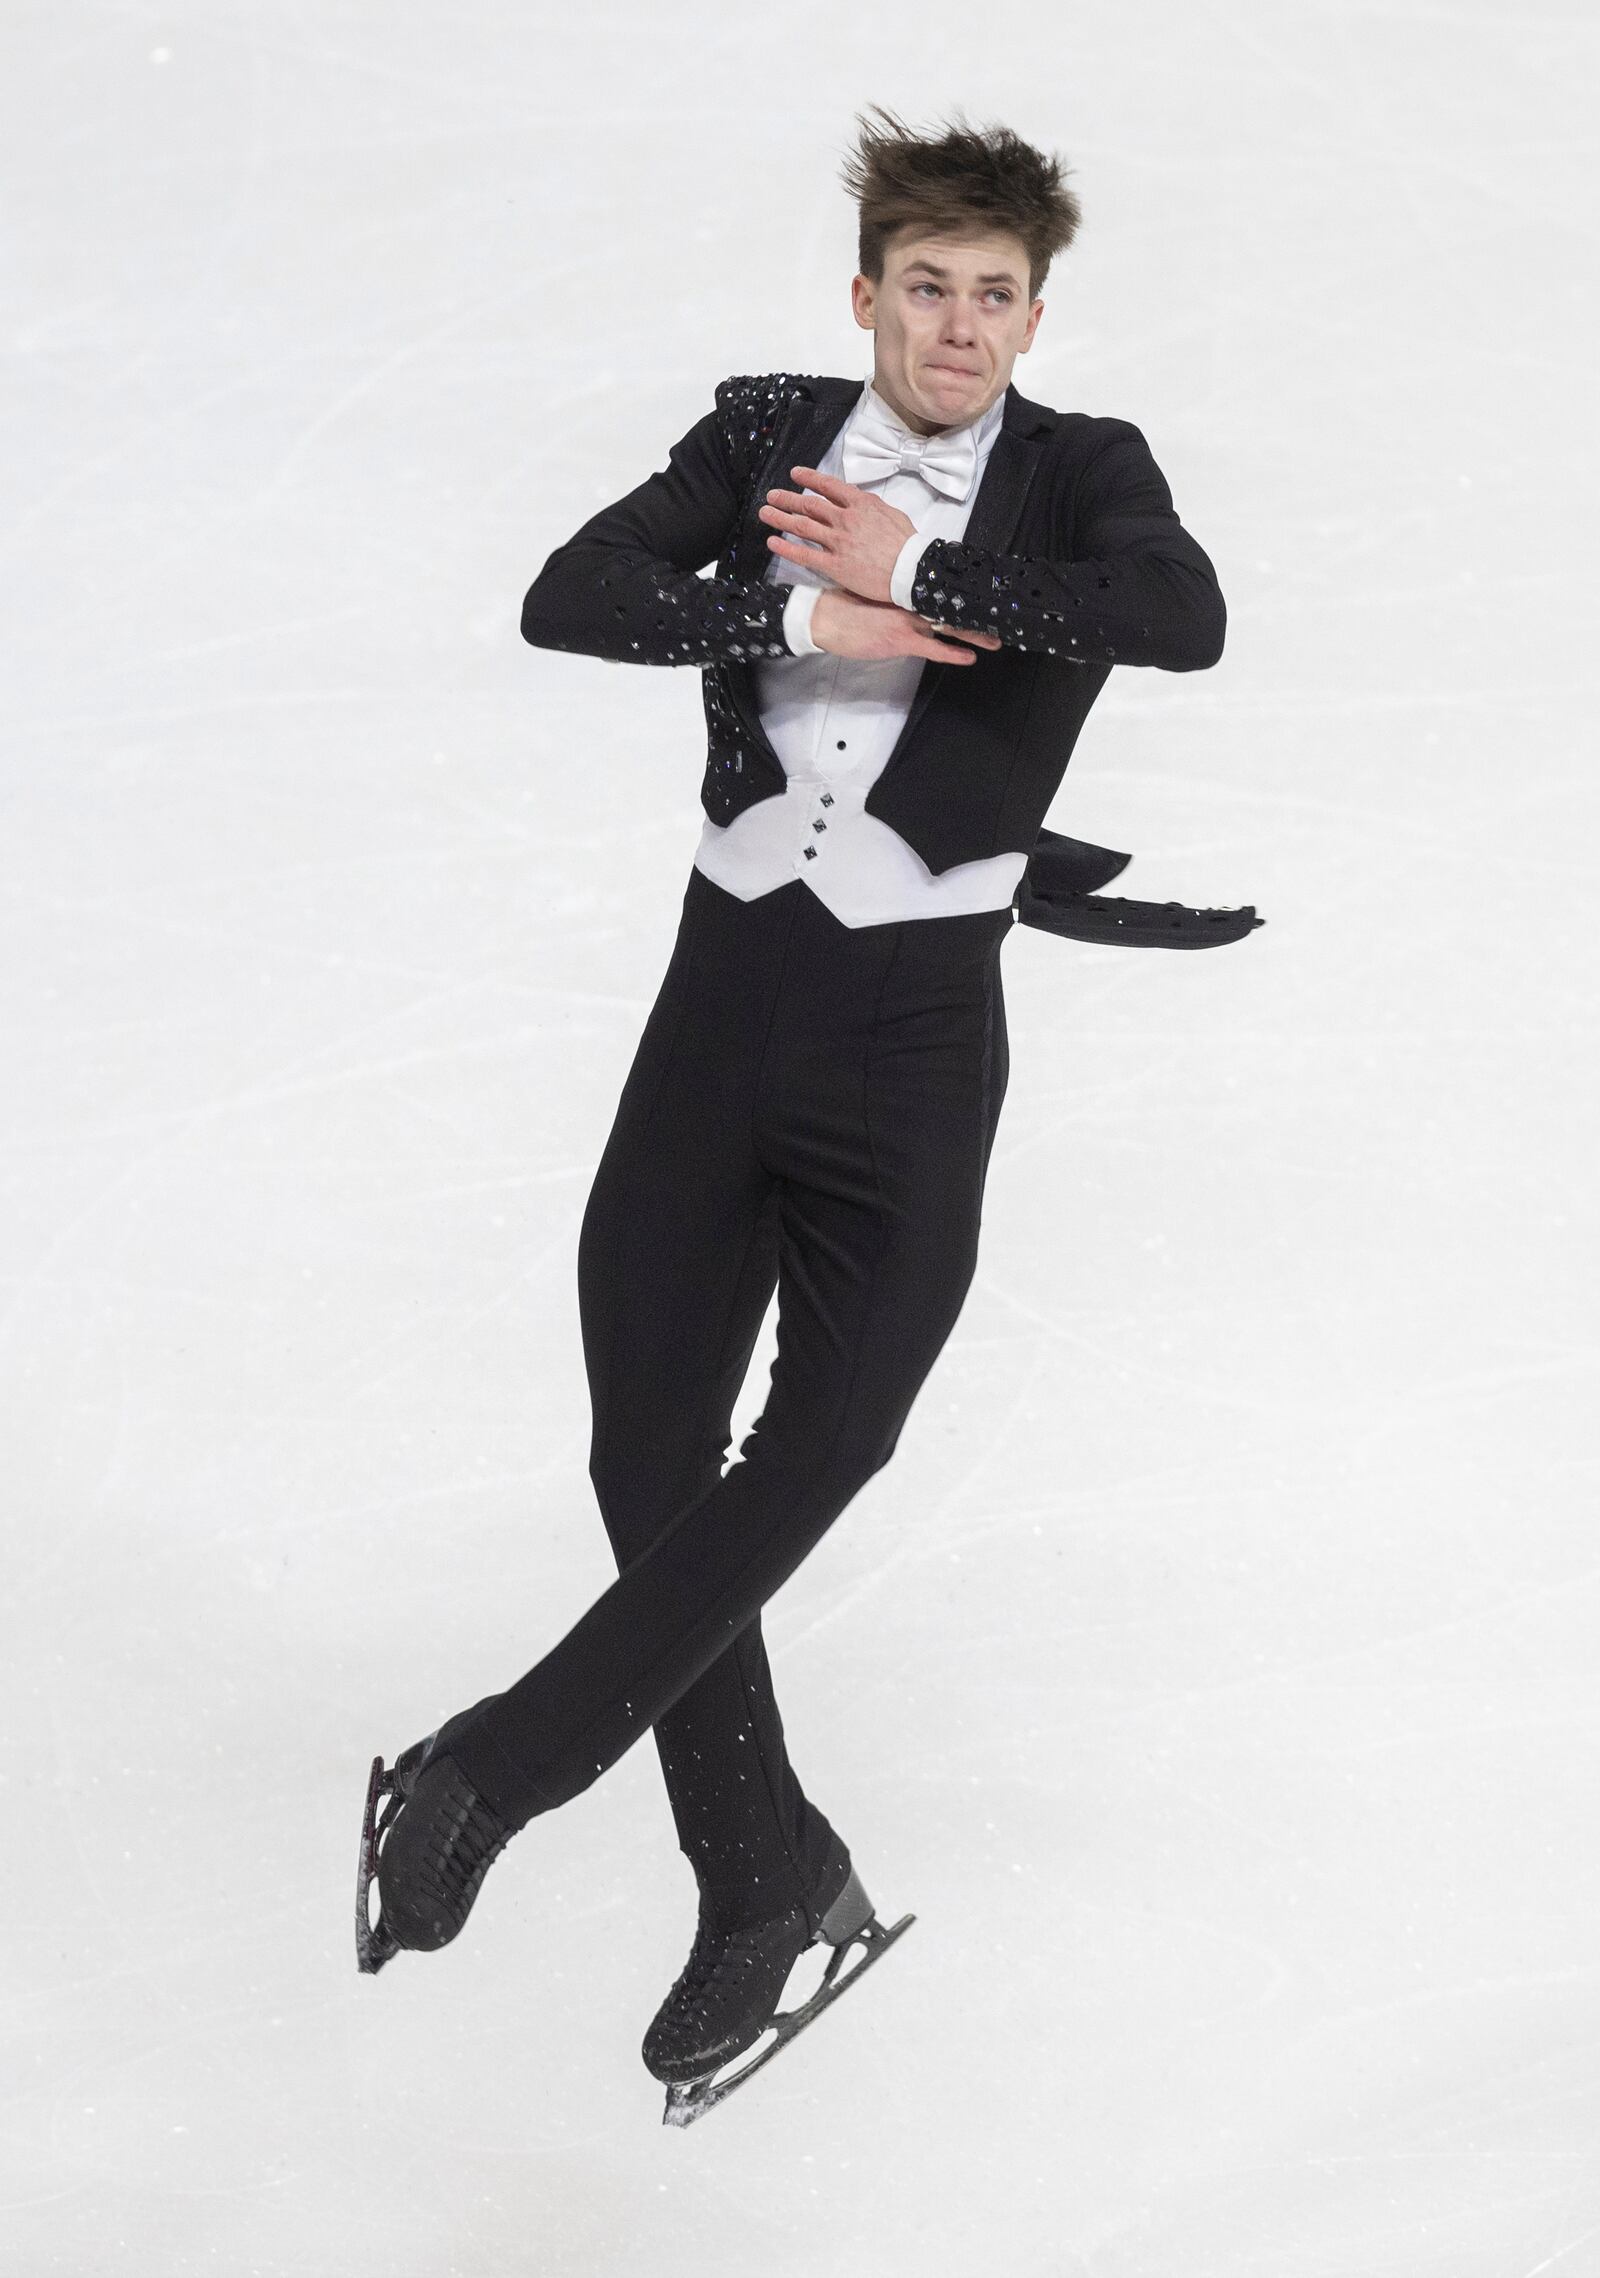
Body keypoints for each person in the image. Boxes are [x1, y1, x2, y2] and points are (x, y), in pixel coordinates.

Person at [356, 102, 1237, 2118]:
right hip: (719, 998)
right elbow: (568, 592)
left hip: (911, 1032)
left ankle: (503, 1760)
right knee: (649, 1447)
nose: (955, 323)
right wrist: (801, 615)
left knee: (831, 1432)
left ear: (1028, 316)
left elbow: (1172, 618)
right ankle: (764, 1876)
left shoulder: (1083, 474)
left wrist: (926, 566)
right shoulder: (764, 432)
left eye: (991, 296)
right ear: (865, 296)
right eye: (922, 285)